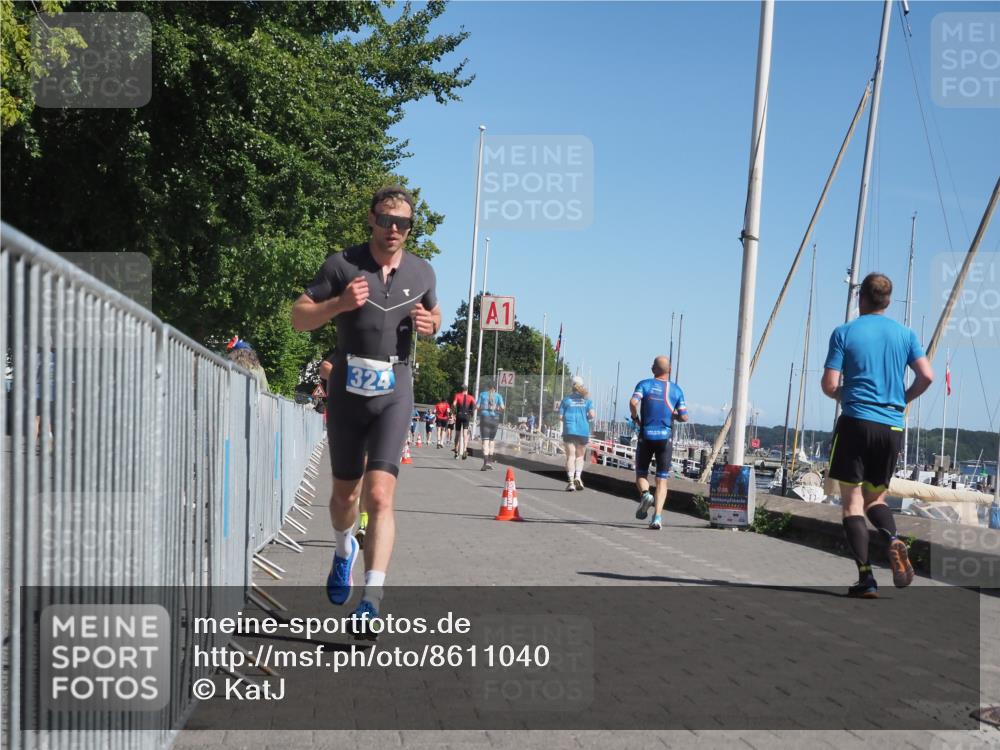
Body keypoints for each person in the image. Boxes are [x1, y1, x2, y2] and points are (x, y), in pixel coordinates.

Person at [290, 185, 441, 633]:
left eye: (404, 223)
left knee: (379, 497)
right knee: (344, 499)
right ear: (372, 219)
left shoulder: (423, 271)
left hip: (395, 388)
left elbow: (434, 319)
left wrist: (431, 325)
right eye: (387, 220)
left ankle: (372, 596)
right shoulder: (342, 264)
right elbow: (300, 316)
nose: (394, 229)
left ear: (411, 229)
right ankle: (342, 551)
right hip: (348, 392)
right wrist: (338, 303)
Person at [821, 273, 932, 598]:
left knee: (852, 503)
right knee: (876, 499)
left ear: (862, 298)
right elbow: (927, 375)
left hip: (856, 422)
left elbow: (829, 385)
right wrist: (901, 399)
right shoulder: (905, 334)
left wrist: (847, 395)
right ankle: (893, 538)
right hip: (891, 426)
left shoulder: (845, 332)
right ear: (888, 300)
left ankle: (866, 577)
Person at [629, 356, 688, 530]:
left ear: (653, 369)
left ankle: (646, 495)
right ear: (669, 369)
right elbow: (684, 416)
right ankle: (657, 518)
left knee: (641, 474)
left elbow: (633, 402)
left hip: (646, 435)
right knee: (662, 480)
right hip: (665, 438)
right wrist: (674, 416)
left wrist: (635, 418)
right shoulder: (676, 390)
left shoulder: (644, 384)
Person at [559, 376, 595, 491]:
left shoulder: (566, 400)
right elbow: (592, 415)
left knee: (570, 456)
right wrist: (585, 418)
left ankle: (570, 482)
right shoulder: (587, 400)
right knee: (579, 457)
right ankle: (578, 477)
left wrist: (568, 421)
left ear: (572, 386)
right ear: (582, 386)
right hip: (583, 431)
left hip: (569, 431)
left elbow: (560, 417)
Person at [475, 380, 505, 471]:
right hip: (495, 419)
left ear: (488, 387)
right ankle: (490, 462)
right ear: (495, 388)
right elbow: (503, 408)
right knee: (491, 441)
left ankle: (485, 463)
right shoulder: (499, 396)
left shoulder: (482, 394)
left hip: (485, 418)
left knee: (485, 441)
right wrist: (498, 410)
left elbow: (477, 406)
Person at [452, 384, 475, 460]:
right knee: (465, 434)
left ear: (461, 389)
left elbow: (454, 404)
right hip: (466, 416)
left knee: (457, 434)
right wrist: (471, 413)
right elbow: (475, 406)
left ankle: (456, 451)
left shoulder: (457, 395)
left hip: (459, 415)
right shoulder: (471, 397)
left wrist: (453, 412)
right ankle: (465, 449)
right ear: (467, 390)